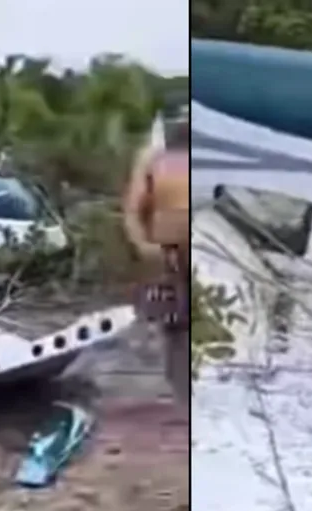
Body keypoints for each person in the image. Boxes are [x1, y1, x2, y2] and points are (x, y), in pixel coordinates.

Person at [122, 100, 191, 403]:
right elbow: (132, 210)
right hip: (169, 255)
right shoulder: (152, 158)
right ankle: (181, 395)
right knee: (174, 327)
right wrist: (144, 246)